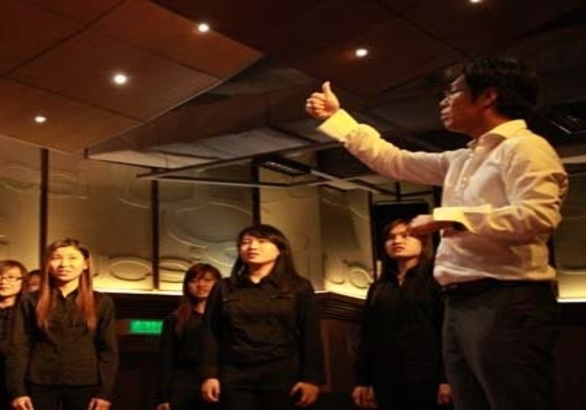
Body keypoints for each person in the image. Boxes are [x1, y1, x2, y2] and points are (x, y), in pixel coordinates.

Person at [306, 56, 567, 410]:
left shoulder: (524, 147)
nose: (444, 101)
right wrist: (337, 119)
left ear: (488, 96)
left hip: (507, 299)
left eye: (453, 92)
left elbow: (537, 217)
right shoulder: (465, 157)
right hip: (461, 302)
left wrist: (448, 218)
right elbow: (393, 160)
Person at [200, 224, 325, 410]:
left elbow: (310, 334)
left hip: (283, 374)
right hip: (235, 374)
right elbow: (211, 333)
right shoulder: (224, 287)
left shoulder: (299, 287)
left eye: (261, 241)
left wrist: (311, 379)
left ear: (280, 249)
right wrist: (209, 375)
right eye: (246, 242)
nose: (252, 247)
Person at [8, 238, 118, 410]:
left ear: (85, 264)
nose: (64, 264)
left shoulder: (101, 301)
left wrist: (104, 393)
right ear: (47, 264)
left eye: (72, 258)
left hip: (85, 383)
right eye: (56, 257)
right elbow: (20, 346)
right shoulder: (30, 301)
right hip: (39, 383)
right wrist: (17, 390)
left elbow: (108, 350)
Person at [352, 219, 450, 410]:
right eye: (391, 237)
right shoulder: (379, 287)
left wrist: (447, 378)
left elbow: (446, 332)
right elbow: (368, 336)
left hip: (427, 376)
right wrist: (362, 380)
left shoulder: (436, 280)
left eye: (405, 236)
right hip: (385, 377)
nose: (397, 241)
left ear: (423, 241)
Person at [156, 263, 222, 410]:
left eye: (207, 280)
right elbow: (167, 360)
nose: (201, 285)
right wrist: (164, 397)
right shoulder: (176, 319)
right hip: (185, 386)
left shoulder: (228, 316)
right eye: (194, 281)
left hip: (221, 385)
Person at [0, 259, 29, 410]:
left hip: (21, 383)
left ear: (23, 281)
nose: (3, 281)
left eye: (11, 277)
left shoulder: (29, 313)